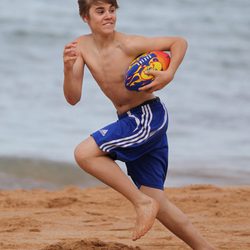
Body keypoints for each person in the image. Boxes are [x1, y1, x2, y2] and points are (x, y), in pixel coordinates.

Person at [63, 0, 214, 249]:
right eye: (100, 11)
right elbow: (73, 98)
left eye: (112, 10)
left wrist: (169, 73)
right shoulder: (80, 48)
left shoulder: (128, 44)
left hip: (147, 116)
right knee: (158, 201)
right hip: (132, 121)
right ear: (85, 17)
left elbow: (178, 42)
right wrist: (69, 69)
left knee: (85, 153)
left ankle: (140, 202)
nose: (108, 16)